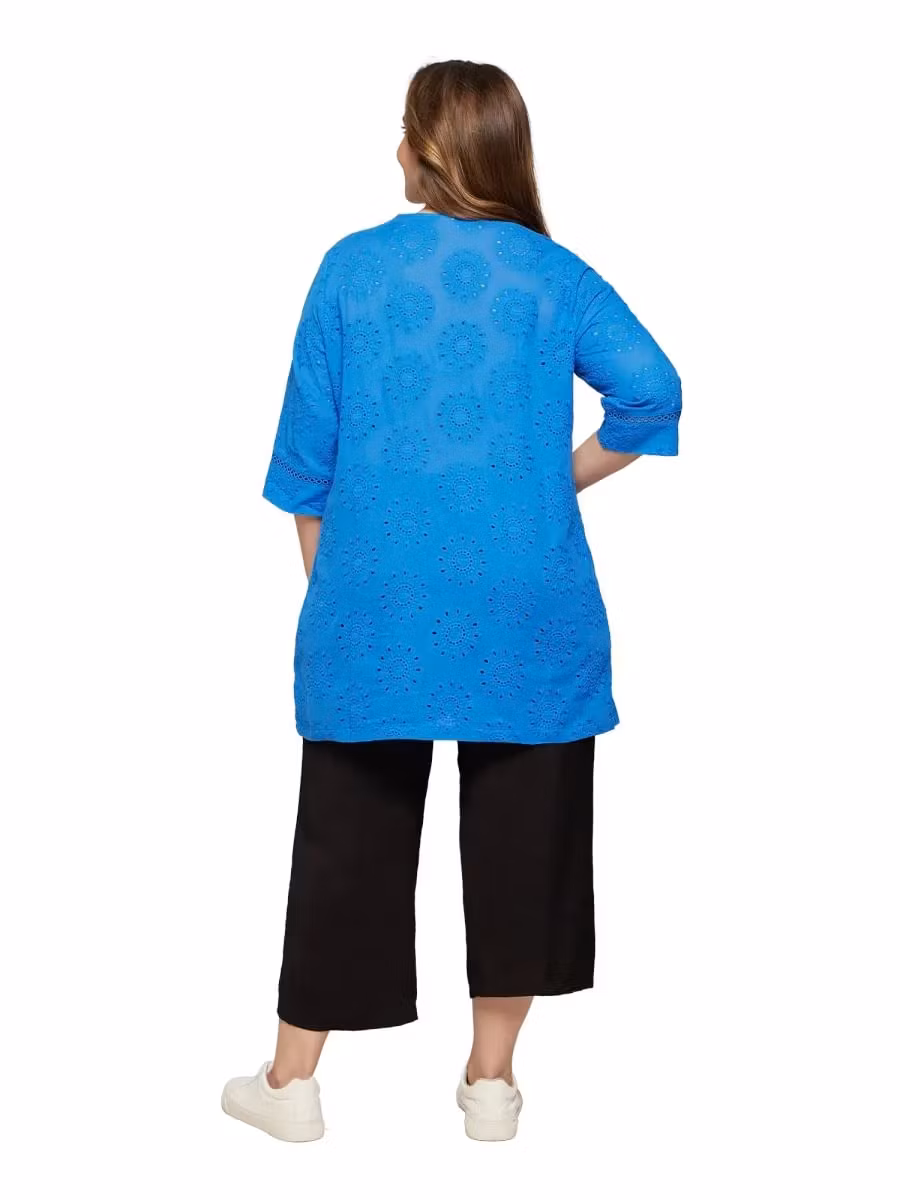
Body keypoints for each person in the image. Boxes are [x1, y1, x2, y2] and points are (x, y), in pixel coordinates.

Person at [221, 59, 682, 1143]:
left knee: (347, 837)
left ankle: (292, 1086)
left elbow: (307, 467)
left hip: (375, 596)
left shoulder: (349, 269)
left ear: (426, 147)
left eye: (402, 129)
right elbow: (653, 388)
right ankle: (490, 1087)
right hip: (531, 603)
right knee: (526, 836)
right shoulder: (556, 276)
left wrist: (341, 598)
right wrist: (553, 481)